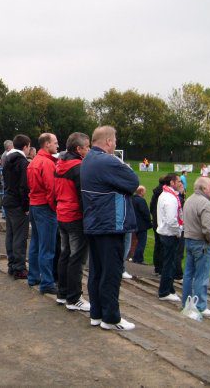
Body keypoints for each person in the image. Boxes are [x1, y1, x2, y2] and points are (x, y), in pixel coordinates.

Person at [81, 126, 138, 331]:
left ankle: (97, 314)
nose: (115, 145)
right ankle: (111, 318)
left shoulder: (87, 160)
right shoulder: (107, 161)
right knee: (111, 273)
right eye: (114, 141)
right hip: (110, 225)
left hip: (95, 223)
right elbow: (133, 181)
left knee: (96, 271)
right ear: (107, 142)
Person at [54, 132, 91, 312]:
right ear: (78, 149)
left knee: (65, 254)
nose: (89, 150)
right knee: (76, 257)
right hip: (74, 216)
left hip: (62, 213)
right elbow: (83, 196)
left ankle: (62, 293)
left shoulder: (60, 163)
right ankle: (74, 297)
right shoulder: (78, 167)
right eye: (87, 147)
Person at [27, 133, 59, 295]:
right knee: (47, 247)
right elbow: (51, 189)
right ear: (47, 144)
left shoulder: (35, 161)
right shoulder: (47, 163)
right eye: (55, 143)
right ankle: (47, 282)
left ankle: (33, 276)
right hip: (45, 207)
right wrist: (54, 207)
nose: (57, 145)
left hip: (34, 205)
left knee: (35, 243)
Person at [182, 176, 210, 316]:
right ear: (203, 188)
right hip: (201, 243)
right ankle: (200, 306)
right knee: (202, 276)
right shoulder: (205, 203)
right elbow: (208, 229)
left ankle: (186, 302)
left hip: (189, 240)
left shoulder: (189, 200)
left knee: (188, 274)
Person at [2, 134, 31, 279]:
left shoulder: (7, 159)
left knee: (11, 234)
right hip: (18, 203)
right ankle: (19, 268)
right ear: (25, 147)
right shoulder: (22, 162)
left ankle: (11, 264)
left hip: (7, 200)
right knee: (20, 236)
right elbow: (24, 187)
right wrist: (26, 206)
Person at [156, 173, 183, 302]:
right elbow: (172, 220)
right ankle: (164, 291)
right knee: (169, 264)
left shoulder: (166, 195)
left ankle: (169, 289)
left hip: (166, 233)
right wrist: (179, 231)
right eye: (178, 181)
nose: (180, 183)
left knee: (169, 263)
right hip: (170, 234)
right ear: (172, 183)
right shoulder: (170, 198)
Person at [131, 185, 152, 264]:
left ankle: (135, 257)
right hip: (142, 225)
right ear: (141, 191)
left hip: (134, 223)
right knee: (142, 242)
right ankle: (138, 258)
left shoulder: (132, 199)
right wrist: (149, 222)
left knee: (137, 241)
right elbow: (145, 213)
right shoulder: (141, 200)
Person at [150, 177, 165, 275]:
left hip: (156, 222)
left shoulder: (155, 193)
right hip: (162, 222)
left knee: (157, 244)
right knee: (164, 245)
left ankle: (157, 267)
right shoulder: (164, 194)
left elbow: (151, 207)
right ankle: (162, 268)